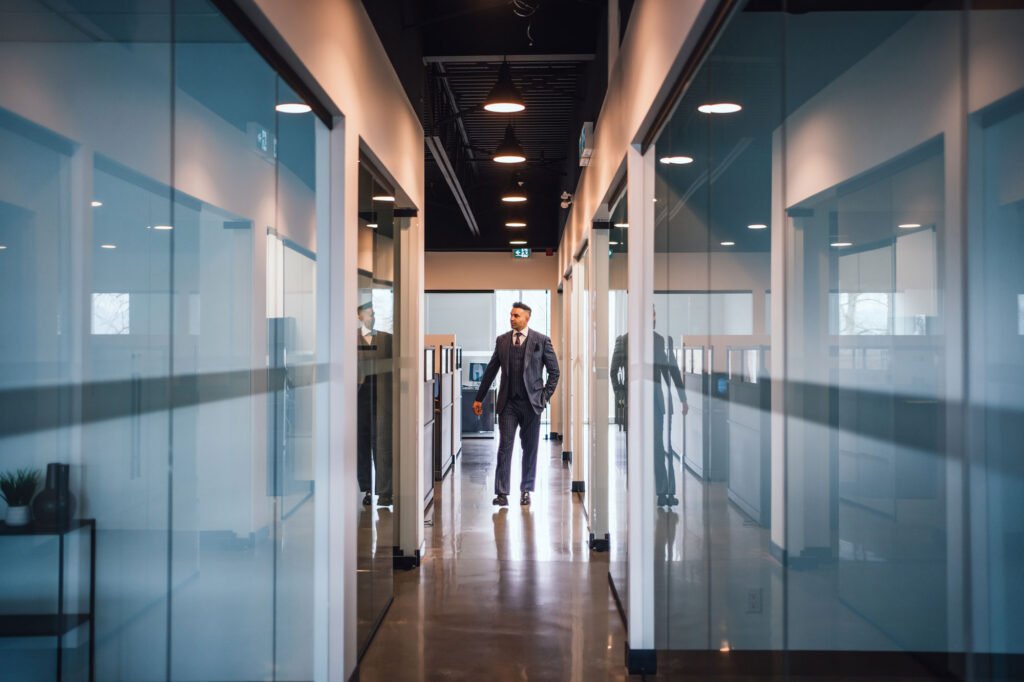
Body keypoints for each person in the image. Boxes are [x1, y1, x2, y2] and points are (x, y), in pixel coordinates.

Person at [473, 302, 560, 506]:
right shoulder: (502, 341)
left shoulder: (541, 340)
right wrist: (479, 397)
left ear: (527, 318)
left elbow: (554, 372)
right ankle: (502, 493)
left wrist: (544, 397)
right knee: (505, 447)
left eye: (516, 316)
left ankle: (526, 490)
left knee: (530, 448)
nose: (512, 318)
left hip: (532, 404)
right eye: (511, 315)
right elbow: (491, 370)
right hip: (508, 404)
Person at [609, 306, 687, 507]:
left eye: (653, 314)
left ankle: (663, 491)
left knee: (658, 447)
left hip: (655, 402)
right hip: (633, 402)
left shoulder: (660, 341)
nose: (651, 317)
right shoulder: (624, 340)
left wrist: (682, 398)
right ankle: (636, 488)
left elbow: (672, 371)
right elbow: (613, 371)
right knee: (634, 447)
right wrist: (621, 396)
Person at [357, 301, 393, 507]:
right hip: (359, 397)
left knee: (382, 443)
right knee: (361, 445)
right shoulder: (350, 338)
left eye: (374, 314)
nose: (372, 318)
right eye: (368, 314)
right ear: (360, 316)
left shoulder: (387, 339)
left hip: (381, 397)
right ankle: (367, 488)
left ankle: (385, 490)